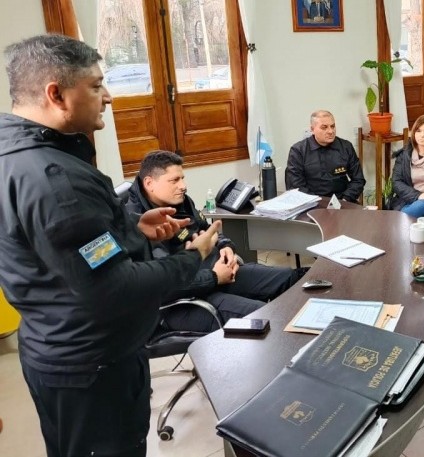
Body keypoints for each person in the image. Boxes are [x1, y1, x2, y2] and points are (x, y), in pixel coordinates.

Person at [0, 34, 220, 456]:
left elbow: (62, 248)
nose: (109, 98)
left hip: (57, 350)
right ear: (57, 95)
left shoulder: (19, 155)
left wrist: (134, 228)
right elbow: (111, 288)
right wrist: (193, 258)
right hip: (93, 366)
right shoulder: (55, 179)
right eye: (97, 86)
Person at [126, 150, 302, 332]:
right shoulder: (137, 225)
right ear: (149, 183)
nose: (183, 186)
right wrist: (215, 277)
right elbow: (166, 285)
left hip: (215, 275)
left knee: (289, 278)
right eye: (174, 180)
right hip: (182, 302)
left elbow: (207, 230)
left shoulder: (180, 201)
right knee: (264, 316)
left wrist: (226, 246)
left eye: (182, 178)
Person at [286, 110, 366, 202]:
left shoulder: (346, 147)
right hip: (311, 203)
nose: (330, 131)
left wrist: (345, 199)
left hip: (343, 201)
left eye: (332, 126)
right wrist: (317, 203)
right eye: (324, 127)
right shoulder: (298, 151)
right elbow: (296, 186)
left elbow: (358, 180)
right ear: (312, 129)